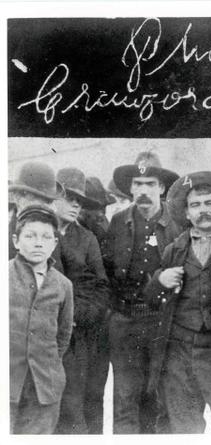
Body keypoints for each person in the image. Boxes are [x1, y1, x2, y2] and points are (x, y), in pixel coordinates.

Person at [143, 171, 211, 433]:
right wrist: (160, 280)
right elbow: (151, 299)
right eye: (195, 205)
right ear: (187, 213)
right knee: (184, 430)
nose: (203, 210)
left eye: (209, 203)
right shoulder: (175, 249)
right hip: (181, 355)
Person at [104, 152, 181, 433]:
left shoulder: (177, 222)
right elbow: (108, 269)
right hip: (125, 323)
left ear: (161, 188)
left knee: (160, 400)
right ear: (131, 188)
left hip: (162, 323)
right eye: (138, 183)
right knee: (125, 401)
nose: (144, 190)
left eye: (150, 183)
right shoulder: (119, 221)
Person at [53, 168, 111, 434]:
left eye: (80, 200)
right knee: (59, 406)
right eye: (70, 197)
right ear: (53, 195)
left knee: (89, 401)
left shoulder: (86, 238)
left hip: (86, 334)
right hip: (50, 335)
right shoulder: (39, 232)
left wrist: (81, 316)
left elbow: (101, 285)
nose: (76, 205)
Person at [10, 205, 74, 434]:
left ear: (55, 243)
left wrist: (48, 364)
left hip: (45, 386)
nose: (39, 243)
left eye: (46, 237)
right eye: (30, 236)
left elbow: (63, 334)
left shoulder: (63, 285)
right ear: (16, 241)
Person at [8, 161, 65, 270]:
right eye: (36, 199)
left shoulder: (55, 235)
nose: (43, 208)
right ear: (17, 197)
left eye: (48, 201)